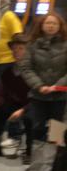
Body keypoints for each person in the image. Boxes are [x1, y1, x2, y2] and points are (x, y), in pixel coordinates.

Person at [18, 13, 67, 160]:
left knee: (57, 130)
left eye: (54, 24)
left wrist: (57, 86)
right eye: (48, 23)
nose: (51, 26)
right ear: (41, 26)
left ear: (60, 26)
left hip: (60, 96)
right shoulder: (32, 45)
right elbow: (26, 68)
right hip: (38, 95)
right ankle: (37, 161)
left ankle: (53, 162)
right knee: (37, 128)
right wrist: (39, 86)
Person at [0, 34, 32, 162]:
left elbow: (36, 96)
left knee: (31, 118)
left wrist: (23, 110)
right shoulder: (8, 71)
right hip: (13, 104)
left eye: (20, 48)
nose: (16, 51)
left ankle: (30, 152)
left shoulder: (33, 70)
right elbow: (3, 91)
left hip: (31, 105)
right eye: (14, 48)